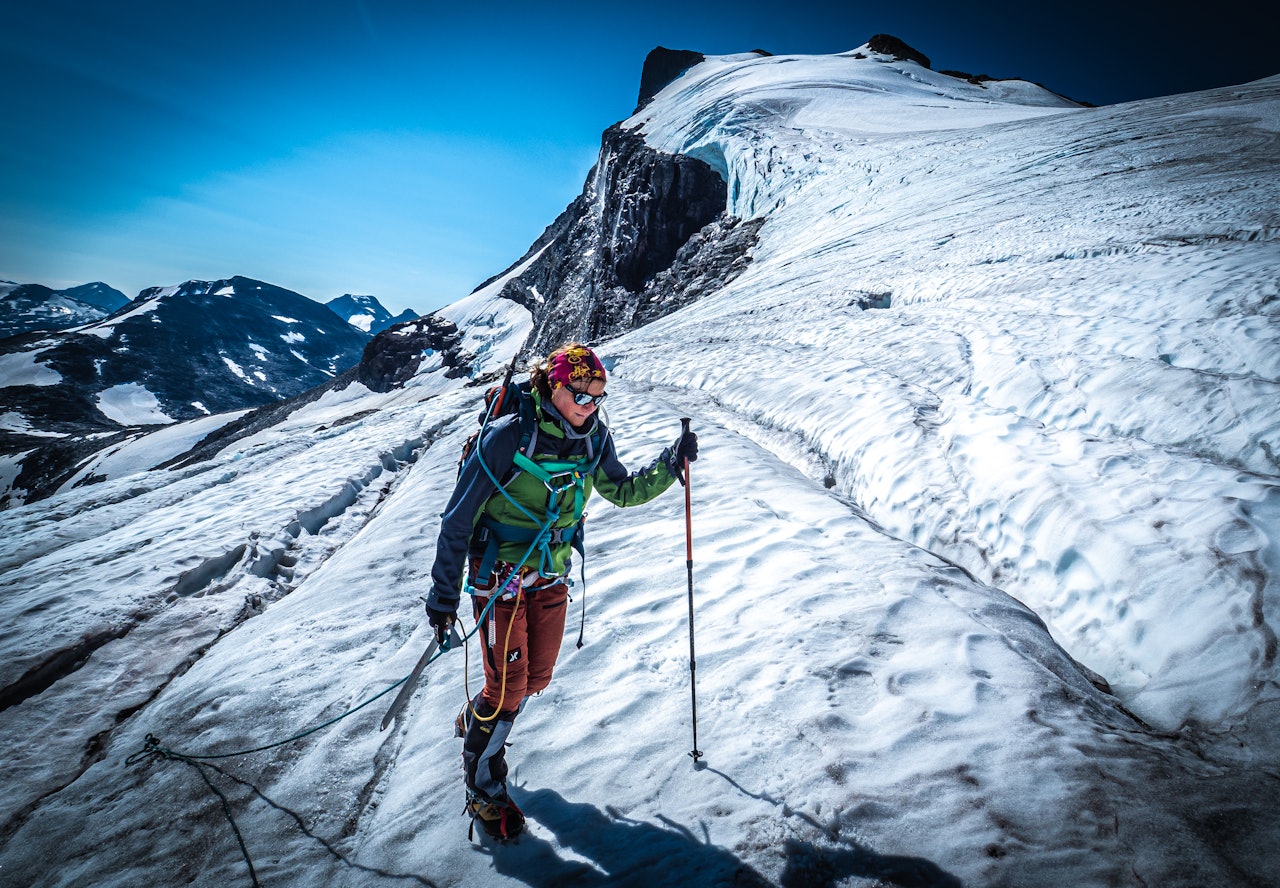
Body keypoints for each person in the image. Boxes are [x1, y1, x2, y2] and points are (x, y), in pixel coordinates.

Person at [425, 342, 698, 840]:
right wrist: (444, 597)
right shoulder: (511, 436)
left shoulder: (594, 439)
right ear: (554, 386)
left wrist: (669, 462)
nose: (590, 404)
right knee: (508, 690)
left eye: (598, 395)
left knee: (534, 680)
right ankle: (484, 788)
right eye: (581, 393)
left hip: (550, 574)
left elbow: (622, 489)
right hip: (498, 578)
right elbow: (457, 518)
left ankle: (479, 718)